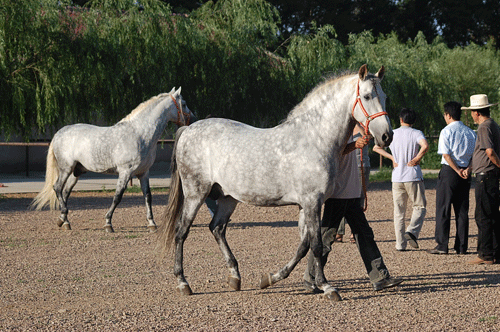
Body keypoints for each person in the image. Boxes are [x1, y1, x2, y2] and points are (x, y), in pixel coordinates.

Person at [303, 134, 403, 293]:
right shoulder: (338, 130)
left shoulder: (351, 129)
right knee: (326, 237)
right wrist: (354, 145)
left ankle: (380, 277)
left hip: (351, 193)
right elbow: (331, 151)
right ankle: (311, 277)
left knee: (364, 235)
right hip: (338, 193)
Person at [373, 108, 429, 251]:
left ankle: (400, 244)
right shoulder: (417, 133)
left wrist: (392, 157)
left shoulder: (393, 134)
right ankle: (412, 231)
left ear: (400, 120)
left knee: (399, 211)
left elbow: (376, 147)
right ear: (414, 121)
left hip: (397, 176)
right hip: (413, 176)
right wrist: (417, 158)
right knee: (420, 206)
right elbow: (425, 146)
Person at [427, 102, 476, 255]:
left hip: (450, 171)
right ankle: (461, 246)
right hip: (466, 171)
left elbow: (446, 154)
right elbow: (476, 155)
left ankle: (442, 244)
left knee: (444, 208)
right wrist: (468, 169)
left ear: (448, 115)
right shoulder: (470, 132)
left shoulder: (446, 131)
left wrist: (457, 170)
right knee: (462, 210)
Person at [462, 94, 500, 265]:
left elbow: (489, 152)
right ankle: (495, 251)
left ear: (476, 112)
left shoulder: (484, 127)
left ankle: (485, 253)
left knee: (483, 215)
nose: (471, 115)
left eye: (471, 112)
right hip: (490, 175)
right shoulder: (493, 125)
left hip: (486, 175)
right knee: (492, 214)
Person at [335, 125, 370, 244]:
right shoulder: (344, 127)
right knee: (342, 197)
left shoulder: (364, 128)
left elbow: (367, 135)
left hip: (361, 166)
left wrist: (358, 125)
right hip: (345, 167)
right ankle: (338, 232)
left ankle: (354, 232)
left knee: (358, 199)